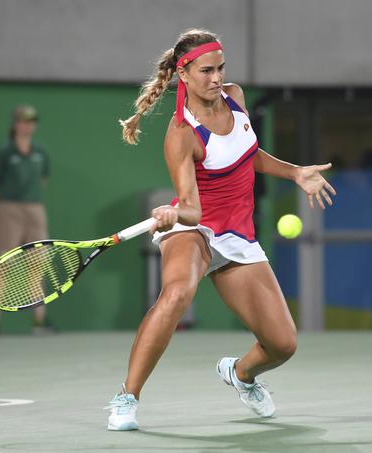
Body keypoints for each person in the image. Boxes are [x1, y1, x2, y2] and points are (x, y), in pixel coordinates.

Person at [105, 29, 336, 431]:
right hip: (194, 228)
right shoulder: (181, 134)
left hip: (239, 233)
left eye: (220, 68)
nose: (216, 78)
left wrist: (296, 172)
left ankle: (241, 374)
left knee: (283, 344)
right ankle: (127, 396)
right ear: (184, 74)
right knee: (177, 294)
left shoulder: (235, 97)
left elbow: (248, 153)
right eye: (207, 71)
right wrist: (170, 215)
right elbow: (191, 208)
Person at [0, 104, 53, 335]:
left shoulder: (40, 152)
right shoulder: (4, 152)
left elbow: (42, 180)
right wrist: (7, 205)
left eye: (32, 121)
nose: (28, 125)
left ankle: (39, 321)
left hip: (35, 210)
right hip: (9, 209)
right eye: (24, 120)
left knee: (38, 263)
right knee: (3, 262)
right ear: (15, 123)